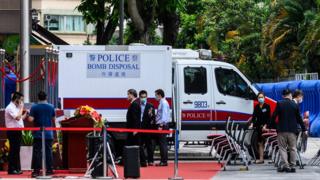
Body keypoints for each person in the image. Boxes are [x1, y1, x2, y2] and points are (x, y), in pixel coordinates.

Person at [271, 89, 307, 173]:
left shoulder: (279, 103)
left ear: (283, 96)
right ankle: (293, 166)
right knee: (293, 148)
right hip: (292, 130)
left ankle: (286, 166)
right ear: (290, 94)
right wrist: (304, 129)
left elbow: (274, 116)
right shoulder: (294, 105)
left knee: (282, 148)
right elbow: (299, 119)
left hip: (281, 130)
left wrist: (272, 126)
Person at [28, 91, 55, 177]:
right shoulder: (51, 107)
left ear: (38, 98)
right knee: (48, 152)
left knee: (37, 152)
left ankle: (36, 171)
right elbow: (54, 118)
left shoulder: (34, 107)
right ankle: (49, 170)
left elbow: (30, 120)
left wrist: (29, 113)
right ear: (46, 97)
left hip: (38, 133)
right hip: (48, 133)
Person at [5, 92, 26, 175]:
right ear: (16, 99)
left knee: (17, 150)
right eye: (21, 100)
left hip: (17, 131)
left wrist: (26, 114)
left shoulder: (16, 107)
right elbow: (17, 117)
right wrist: (21, 108)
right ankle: (11, 169)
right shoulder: (10, 107)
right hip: (12, 131)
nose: (21, 102)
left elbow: (20, 118)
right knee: (13, 150)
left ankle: (16, 168)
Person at [126, 89, 146, 166]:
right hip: (132, 129)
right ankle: (139, 162)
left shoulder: (134, 104)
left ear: (132, 95)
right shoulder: (135, 103)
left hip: (133, 130)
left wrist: (135, 129)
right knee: (135, 145)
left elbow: (135, 118)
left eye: (128, 94)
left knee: (137, 145)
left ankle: (143, 162)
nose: (127, 96)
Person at [249, 92, 271, 164]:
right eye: (259, 97)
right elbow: (254, 117)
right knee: (260, 143)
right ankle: (261, 159)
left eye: (262, 97)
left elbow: (269, 118)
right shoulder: (256, 107)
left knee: (269, 142)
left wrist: (266, 125)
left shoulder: (267, 106)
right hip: (258, 127)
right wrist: (252, 124)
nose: (260, 99)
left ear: (264, 98)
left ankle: (273, 158)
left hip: (266, 127)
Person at [139, 90, 156, 166]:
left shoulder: (150, 106)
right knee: (140, 145)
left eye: (144, 97)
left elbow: (153, 118)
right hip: (139, 127)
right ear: (139, 97)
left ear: (147, 97)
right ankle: (142, 160)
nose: (143, 98)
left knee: (149, 145)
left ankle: (150, 160)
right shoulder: (137, 105)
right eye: (142, 97)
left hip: (148, 128)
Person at [155, 89, 170, 166]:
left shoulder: (163, 103)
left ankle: (164, 161)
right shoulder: (162, 102)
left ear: (159, 95)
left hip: (162, 125)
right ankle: (163, 160)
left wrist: (160, 125)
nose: (155, 97)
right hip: (162, 125)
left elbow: (164, 115)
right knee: (162, 143)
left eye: (156, 95)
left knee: (162, 143)